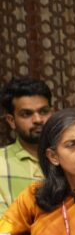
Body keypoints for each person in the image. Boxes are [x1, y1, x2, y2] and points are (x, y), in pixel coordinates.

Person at [0, 77, 54, 217]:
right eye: (27, 114)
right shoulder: (1, 163)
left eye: (43, 111)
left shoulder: (71, 158)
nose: (38, 120)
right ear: (11, 121)